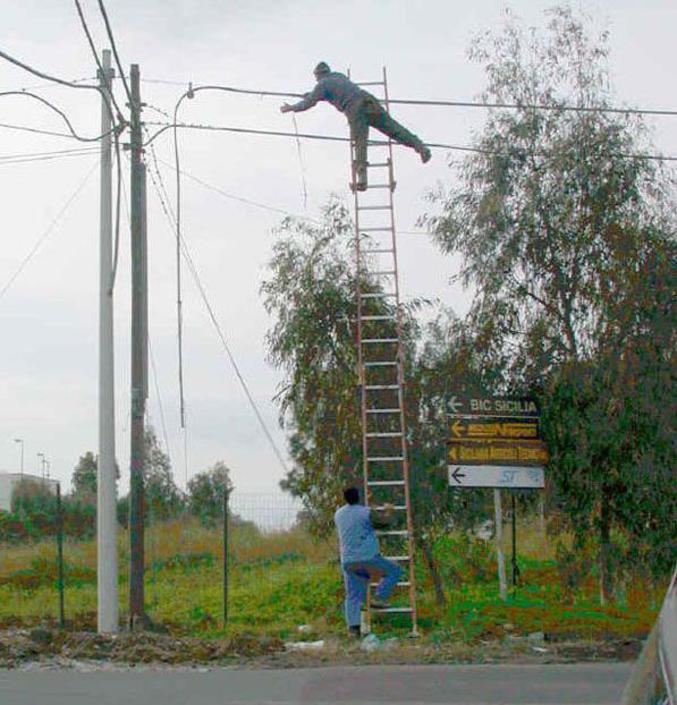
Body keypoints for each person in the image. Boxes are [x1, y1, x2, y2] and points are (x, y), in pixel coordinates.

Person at [280, 62, 431, 191]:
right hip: (368, 101)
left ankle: (362, 177)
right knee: (394, 129)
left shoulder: (322, 84)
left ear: (318, 76)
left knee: (360, 142)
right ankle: (420, 147)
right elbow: (328, 93)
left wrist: (291, 107)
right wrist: (311, 94)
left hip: (354, 108)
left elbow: (310, 102)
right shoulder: (339, 76)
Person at [334, 486, 403, 638]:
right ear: (359, 497)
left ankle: (353, 630)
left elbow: (355, 522)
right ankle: (379, 598)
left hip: (348, 561)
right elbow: (385, 523)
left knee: (352, 595)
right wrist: (389, 510)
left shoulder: (338, 514)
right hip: (368, 558)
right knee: (395, 571)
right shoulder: (366, 512)